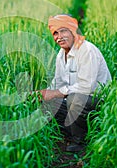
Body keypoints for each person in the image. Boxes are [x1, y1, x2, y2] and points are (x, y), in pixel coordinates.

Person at [39, 14, 111, 152]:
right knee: (48, 102)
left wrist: (56, 93)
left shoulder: (86, 50)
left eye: (63, 31)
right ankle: (73, 130)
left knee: (75, 98)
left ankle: (80, 141)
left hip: (96, 101)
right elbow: (58, 83)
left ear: (73, 30)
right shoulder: (61, 54)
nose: (59, 36)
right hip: (77, 102)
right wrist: (45, 93)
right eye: (55, 33)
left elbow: (86, 87)